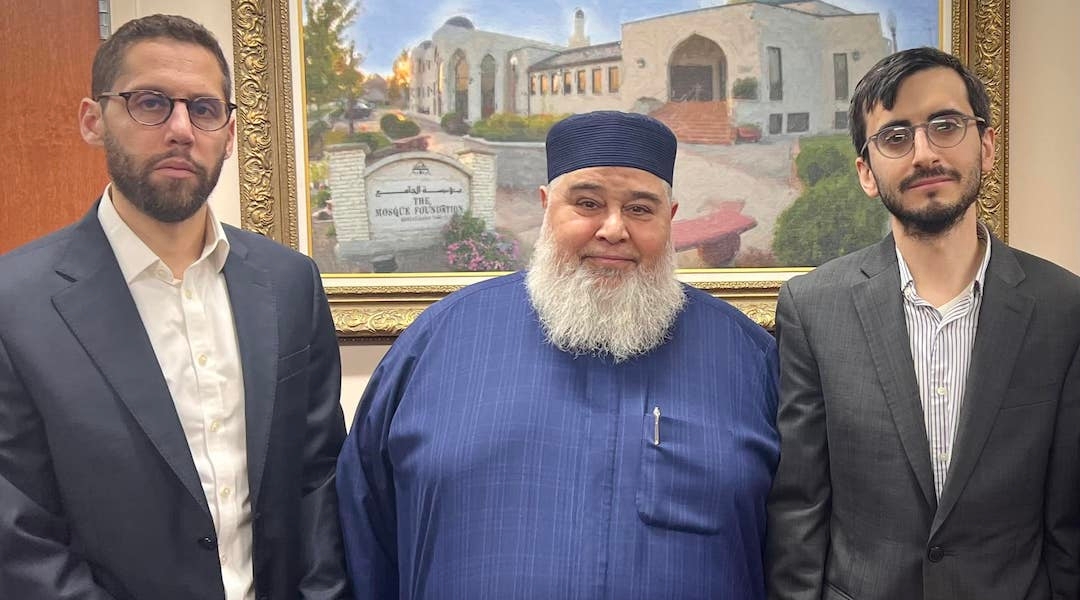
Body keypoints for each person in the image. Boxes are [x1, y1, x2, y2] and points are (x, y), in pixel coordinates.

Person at [336, 110, 779, 598]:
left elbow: (792, 551)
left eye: (639, 209)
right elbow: (363, 536)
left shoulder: (747, 359)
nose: (613, 228)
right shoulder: (439, 343)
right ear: (547, 206)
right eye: (587, 203)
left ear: (669, 220)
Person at [0, 14, 349, 600]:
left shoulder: (290, 283)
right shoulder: (16, 304)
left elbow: (318, 479)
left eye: (205, 109)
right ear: (94, 121)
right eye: (151, 103)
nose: (181, 129)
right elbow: (18, 534)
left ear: (231, 133)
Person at [766, 46, 1080, 600]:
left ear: (986, 143)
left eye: (945, 125)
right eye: (895, 136)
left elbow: (1068, 519)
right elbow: (800, 509)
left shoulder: (1063, 307)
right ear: (866, 171)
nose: (924, 153)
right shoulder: (813, 307)